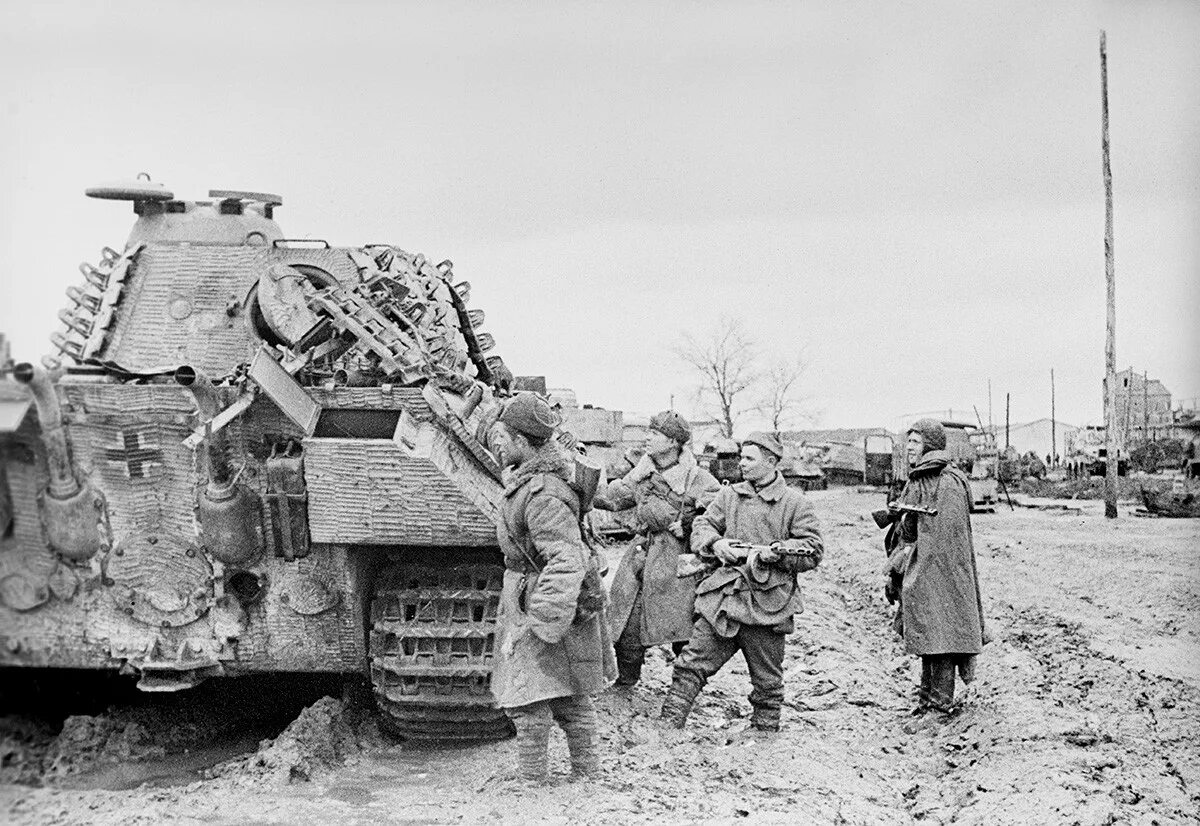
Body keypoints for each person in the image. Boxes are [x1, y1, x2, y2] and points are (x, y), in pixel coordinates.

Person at [488, 393, 616, 782]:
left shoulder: (543, 492)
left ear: (523, 442)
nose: (497, 445)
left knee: (528, 701)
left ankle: (534, 789)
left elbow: (565, 558)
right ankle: (587, 778)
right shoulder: (536, 481)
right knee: (570, 694)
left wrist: (542, 620)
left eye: (503, 438)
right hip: (548, 597)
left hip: (546, 601)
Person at [659, 432, 823, 732]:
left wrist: (777, 555)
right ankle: (667, 731)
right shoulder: (729, 495)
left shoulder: (795, 503)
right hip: (724, 598)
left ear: (771, 462)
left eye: (749, 458)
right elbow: (703, 525)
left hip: (769, 604)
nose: (742, 464)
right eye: (741, 458)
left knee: (767, 683)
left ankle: (764, 739)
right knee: (690, 665)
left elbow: (812, 551)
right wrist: (715, 544)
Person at [592, 411, 721, 685]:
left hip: (679, 566)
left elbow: (720, 517)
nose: (647, 437)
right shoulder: (641, 474)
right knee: (625, 627)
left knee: (684, 634)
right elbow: (611, 498)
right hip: (642, 559)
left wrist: (690, 523)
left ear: (673, 442)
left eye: (655, 433)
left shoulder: (699, 479)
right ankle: (625, 685)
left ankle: (684, 691)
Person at [886, 419, 986, 717]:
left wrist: (910, 560)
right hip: (921, 568)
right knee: (929, 634)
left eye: (915, 442)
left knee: (942, 633)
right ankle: (928, 699)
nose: (909, 448)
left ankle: (941, 703)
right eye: (908, 442)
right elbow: (911, 527)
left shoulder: (948, 481)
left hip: (940, 571)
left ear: (930, 444)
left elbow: (946, 538)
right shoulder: (919, 479)